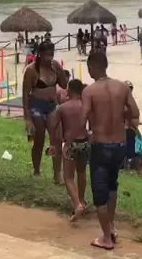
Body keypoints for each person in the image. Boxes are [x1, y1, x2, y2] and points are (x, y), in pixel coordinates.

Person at [81, 52, 140, 251]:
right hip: (120, 145)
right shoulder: (122, 87)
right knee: (113, 186)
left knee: (99, 192)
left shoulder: (89, 91)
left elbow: (83, 119)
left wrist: (88, 130)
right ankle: (112, 227)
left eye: (89, 68)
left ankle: (106, 238)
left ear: (92, 67)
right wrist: (119, 113)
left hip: (101, 145)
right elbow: (135, 112)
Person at [22, 41, 68, 180]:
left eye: (51, 54)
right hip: (36, 106)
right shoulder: (31, 70)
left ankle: (57, 174)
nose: (49, 58)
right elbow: (25, 94)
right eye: (46, 55)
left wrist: (59, 71)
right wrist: (28, 119)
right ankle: (37, 170)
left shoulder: (55, 66)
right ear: (40, 54)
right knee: (39, 139)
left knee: (57, 140)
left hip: (52, 105)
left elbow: (64, 84)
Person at [49, 79, 90, 221]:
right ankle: (82, 201)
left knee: (68, 177)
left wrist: (53, 144)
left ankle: (77, 204)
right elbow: (92, 125)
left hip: (70, 145)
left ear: (69, 90)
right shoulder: (86, 105)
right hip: (84, 143)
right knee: (82, 173)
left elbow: (53, 127)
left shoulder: (62, 108)